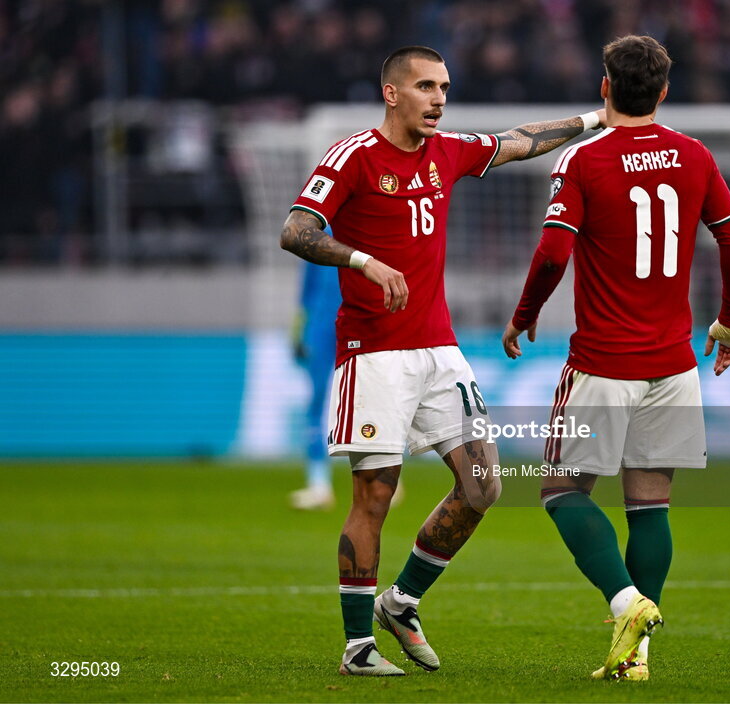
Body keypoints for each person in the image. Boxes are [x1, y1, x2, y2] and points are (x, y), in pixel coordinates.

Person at [279, 45, 607, 677]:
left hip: (439, 352)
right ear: (392, 94)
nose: (438, 100)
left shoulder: (449, 152)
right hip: (373, 353)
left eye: (445, 89)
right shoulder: (352, 156)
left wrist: (597, 119)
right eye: (426, 87)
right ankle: (356, 649)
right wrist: (362, 261)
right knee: (375, 496)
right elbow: (296, 230)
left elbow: (519, 142)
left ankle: (401, 602)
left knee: (484, 485)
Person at [502, 35, 730, 681]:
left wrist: (524, 316)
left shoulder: (585, 161)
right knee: (650, 505)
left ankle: (625, 605)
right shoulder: (694, 155)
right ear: (664, 91)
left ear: (605, 86)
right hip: (673, 363)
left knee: (560, 491)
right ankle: (637, 658)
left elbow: (555, 253)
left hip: (604, 361)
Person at [288, 258, 342, 510]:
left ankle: (386, 478)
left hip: (352, 322)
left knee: (367, 401)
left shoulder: (361, 226)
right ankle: (319, 484)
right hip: (322, 327)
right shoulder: (321, 232)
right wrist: (298, 331)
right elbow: (307, 291)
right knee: (318, 403)